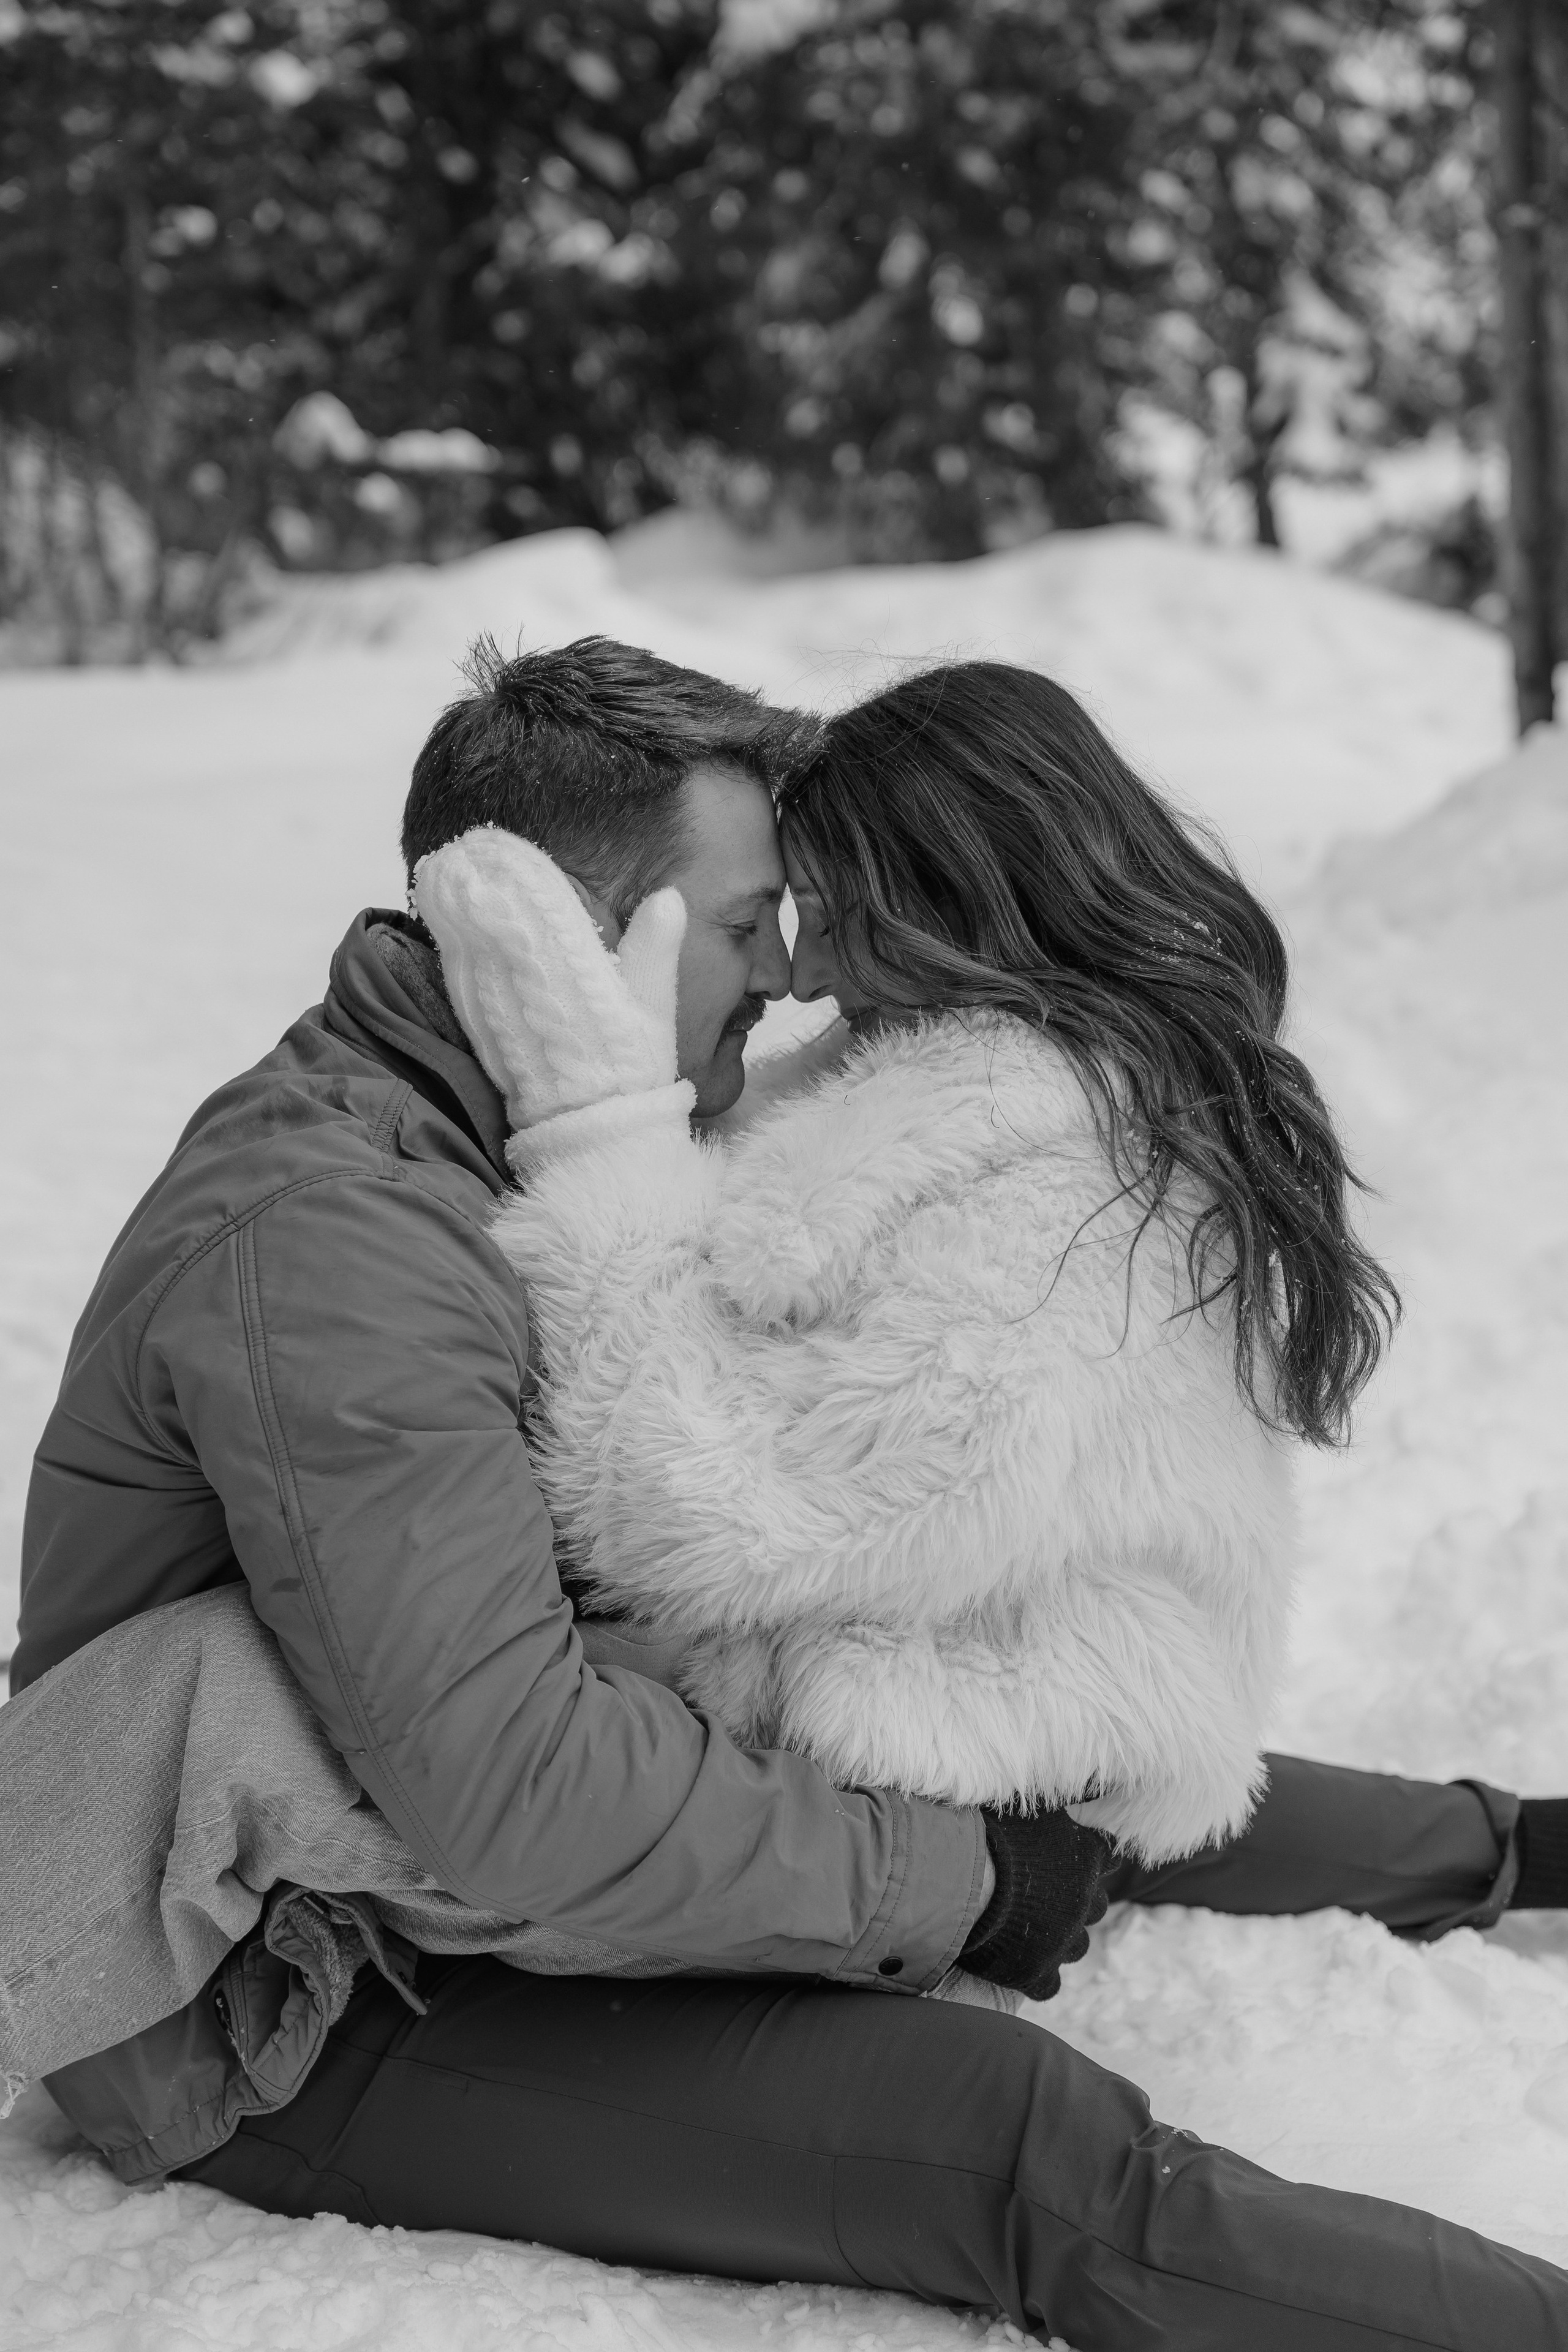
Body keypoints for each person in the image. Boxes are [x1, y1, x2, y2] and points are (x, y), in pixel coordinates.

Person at [12, 637, 1568, 2350]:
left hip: (417, 1863)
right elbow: (520, 1789)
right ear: (565, 939)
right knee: (1018, 2140)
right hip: (290, 2000)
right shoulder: (341, 1251)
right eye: (749, 924)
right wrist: (962, 1883)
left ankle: (1510, 1849)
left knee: (1016, 1711)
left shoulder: (471, 1135)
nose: (795, 975)